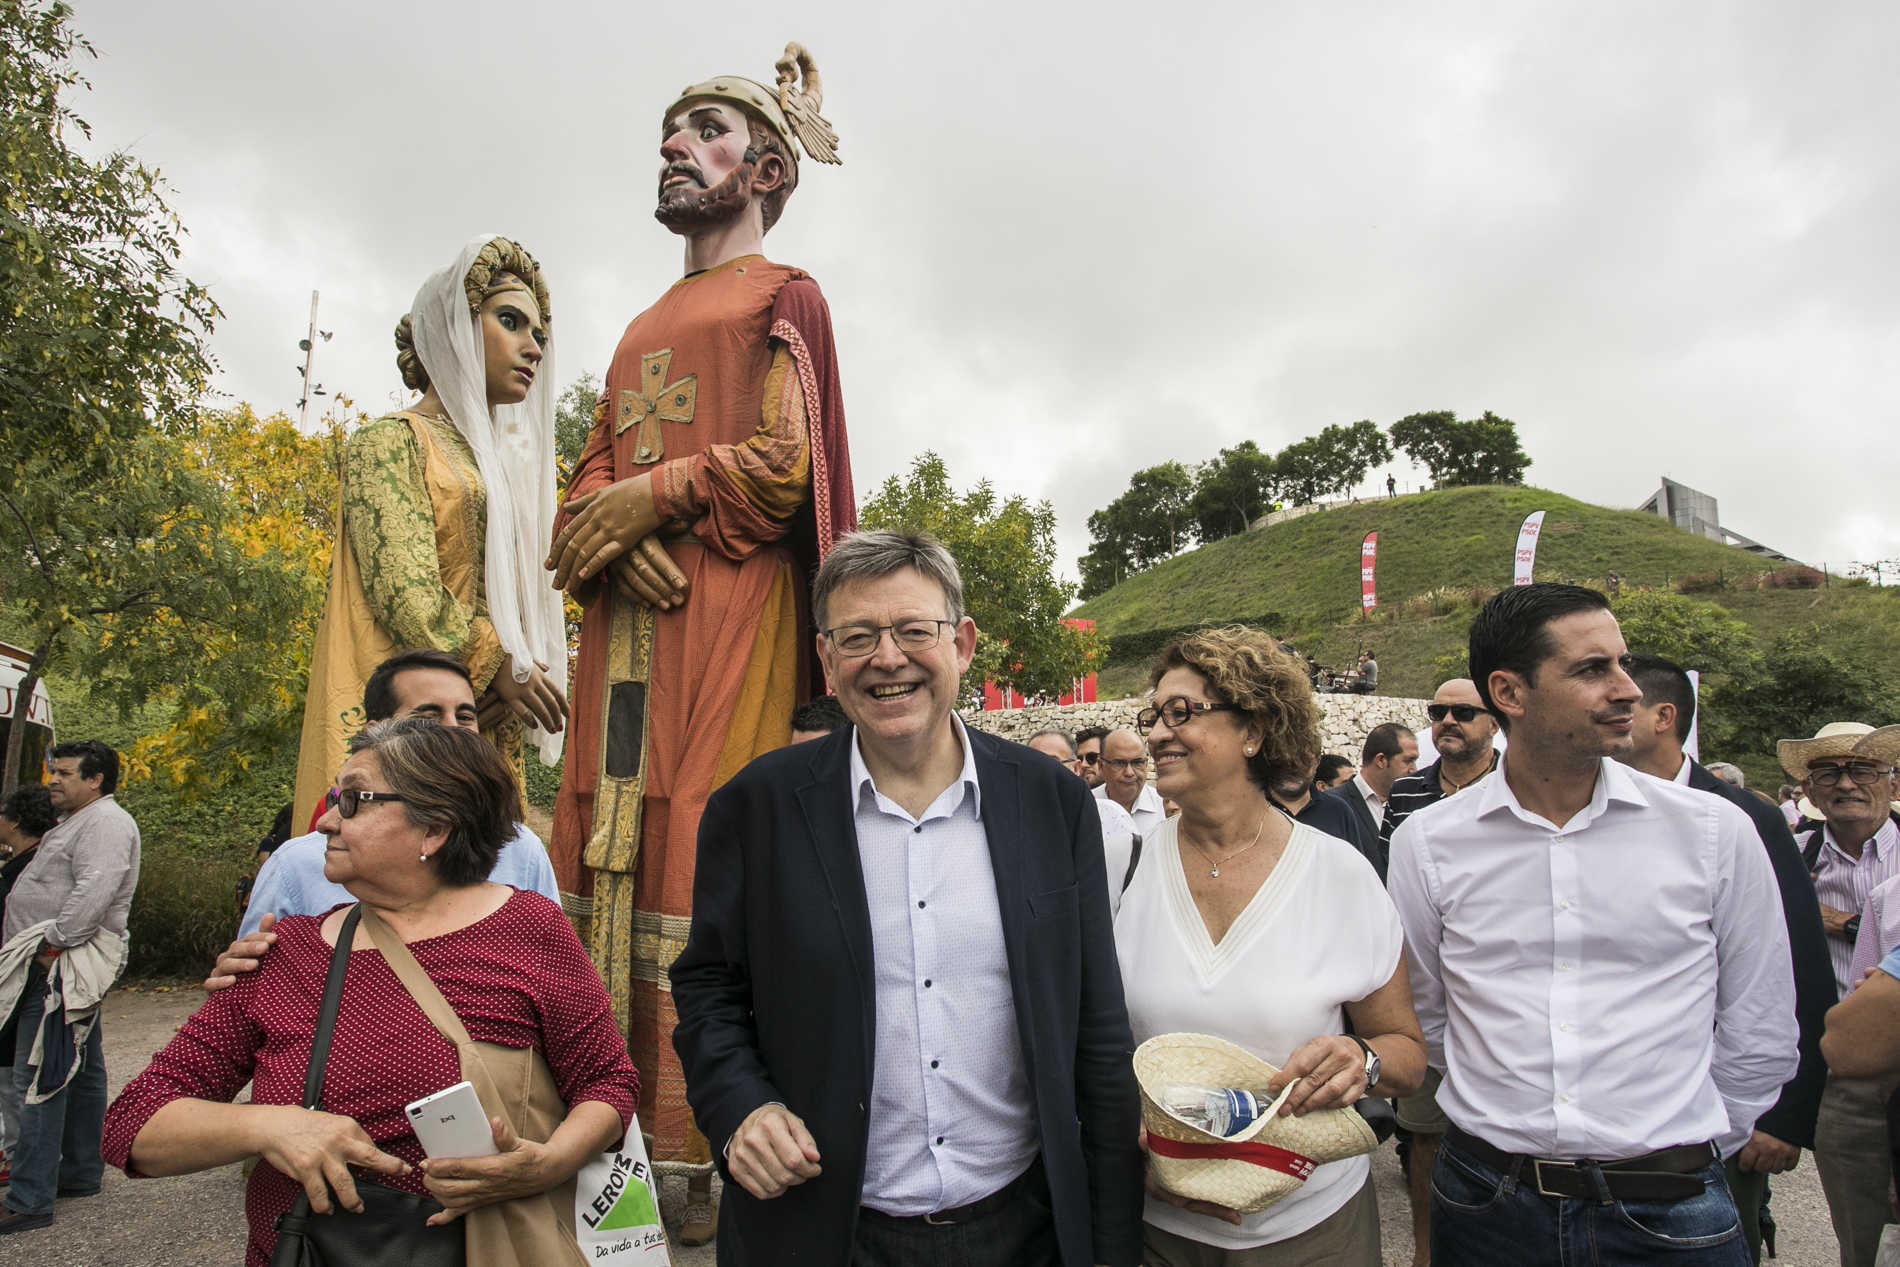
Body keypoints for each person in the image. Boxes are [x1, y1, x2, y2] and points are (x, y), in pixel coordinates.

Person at [543, 46, 855, 1243]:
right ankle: (603, 1126)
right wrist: (612, 533)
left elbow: (782, 472)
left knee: (700, 838)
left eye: (706, 128)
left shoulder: (785, 294)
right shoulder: (633, 327)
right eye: (670, 131)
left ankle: (706, 1141)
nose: (675, 146)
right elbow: (583, 496)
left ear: (765, 165)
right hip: (625, 629)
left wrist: (652, 496)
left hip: (727, 615)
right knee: (605, 837)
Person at [670, 530, 1143, 1266]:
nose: (887, 657)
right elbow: (707, 986)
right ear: (827, 661)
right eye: (858, 636)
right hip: (825, 1230)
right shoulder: (754, 808)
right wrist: (740, 1106)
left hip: (1024, 1228)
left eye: (913, 630)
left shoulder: (1051, 802)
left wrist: (1113, 1240)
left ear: (962, 643)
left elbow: (1098, 1027)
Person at [101, 720, 639, 1267]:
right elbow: (134, 1124)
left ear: (434, 830)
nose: (329, 820)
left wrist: (548, 1163)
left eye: (355, 800)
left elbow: (607, 1082)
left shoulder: (529, 927)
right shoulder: (282, 953)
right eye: (337, 798)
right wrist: (268, 1126)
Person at [1389, 584, 1795, 1265]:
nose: (1628, 689)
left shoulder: (1715, 831)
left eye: (1623, 663)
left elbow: (1761, 1023)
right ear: (1511, 694)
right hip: (1489, 1202)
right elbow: (1428, 1013)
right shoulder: (1428, 842)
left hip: (1671, 1206)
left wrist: (1677, 1143)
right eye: (1592, 668)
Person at [1115, 626, 1425, 1265]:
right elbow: (1088, 1049)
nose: (1155, 734)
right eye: (1153, 715)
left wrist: (1359, 1061)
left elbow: (1406, 1056)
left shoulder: (1337, 873)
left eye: (1183, 713)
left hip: (1315, 1229)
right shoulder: (1122, 864)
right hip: (1162, 1228)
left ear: (1253, 731)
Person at [292, 235, 571, 825]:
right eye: (511, 322)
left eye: (539, 335)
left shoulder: (498, 466)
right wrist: (502, 664)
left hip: (480, 720)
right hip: (405, 721)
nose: (533, 348)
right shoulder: (390, 441)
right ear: (455, 330)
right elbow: (406, 594)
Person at [1621, 655, 1836, 1263]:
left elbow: (1797, 966)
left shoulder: (1745, 818)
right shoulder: (1588, 810)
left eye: (1623, 700)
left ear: (1664, 717)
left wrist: (1786, 1116)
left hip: (1723, 1112)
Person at [211, 651, 559, 1009]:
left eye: (466, 716)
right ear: (377, 733)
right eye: (427, 716)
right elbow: (248, 1003)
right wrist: (236, 990)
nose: (454, 729)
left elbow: (555, 985)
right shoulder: (296, 866)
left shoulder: (520, 849)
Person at [0, 741, 141, 1236]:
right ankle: (79, 1173)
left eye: (63, 773)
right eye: (52, 772)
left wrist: (55, 943)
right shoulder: (84, 821)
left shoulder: (104, 823)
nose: (52, 781)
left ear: (95, 779)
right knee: (79, 1071)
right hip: (61, 961)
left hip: (63, 965)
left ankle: (28, 1198)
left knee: (40, 1074)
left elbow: (94, 891)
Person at [1780, 720, 1900, 1267]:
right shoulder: (1788, 857)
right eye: (1829, 771)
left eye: (1864, 770)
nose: (1847, 784)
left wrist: (1843, 923)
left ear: (1892, 783)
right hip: (1839, 1078)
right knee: (1861, 1237)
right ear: (1809, 789)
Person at [0, 785, 58, 1187]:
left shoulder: (32, 866)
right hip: (22, 971)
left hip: (26, 974)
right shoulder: (26, 863)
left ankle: (21, 1164)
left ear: (17, 820)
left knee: (20, 1072)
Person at [1028, 729, 1139, 914]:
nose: (1039, 773)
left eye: (1051, 763)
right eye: (1031, 765)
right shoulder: (1011, 829)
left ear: (1076, 768)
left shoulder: (1112, 819)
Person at [1324, 722, 1417, 864]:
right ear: (1381, 760)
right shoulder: (1332, 805)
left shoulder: (1411, 803)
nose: (1414, 770)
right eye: (1408, 761)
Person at [1098, 728, 1167, 837]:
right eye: (1119, 763)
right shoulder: (1087, 805)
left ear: (1146, 764)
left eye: (1137, 763)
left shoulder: (1164, 808)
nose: (1129, 773)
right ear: (1101, 765)